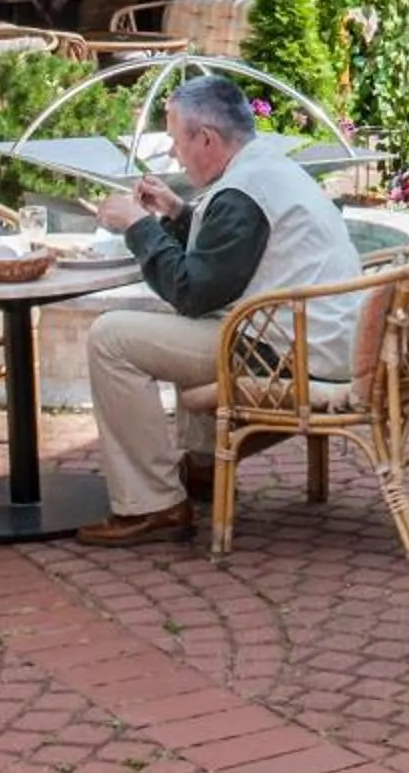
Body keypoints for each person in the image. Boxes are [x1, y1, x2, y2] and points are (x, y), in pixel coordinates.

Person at [78, 75, 364, 546]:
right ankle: (203, 468)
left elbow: (192, 290)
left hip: (290, 353)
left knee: (111, 338)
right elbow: (229, 256)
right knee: (176, 329)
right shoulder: (267, 168)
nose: (173, 153)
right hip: (315, 336)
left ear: (206, 138)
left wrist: (136, 227)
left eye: (175, 139)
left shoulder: (240, 194)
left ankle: (154, 505)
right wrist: (175, 213)